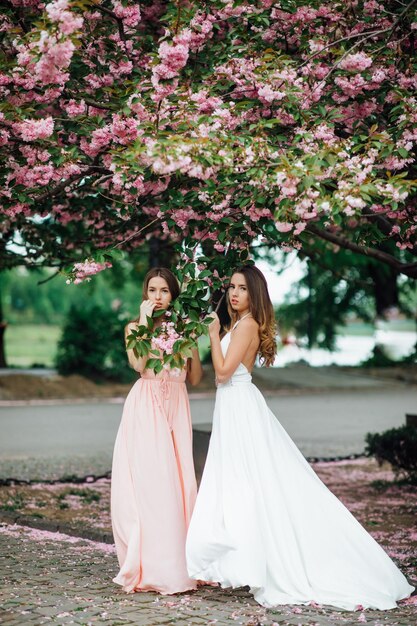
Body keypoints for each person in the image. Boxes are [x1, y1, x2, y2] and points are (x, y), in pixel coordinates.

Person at [186, 264, 414, 610]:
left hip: (240, 405)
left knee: (255, 482)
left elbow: (221, 373)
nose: (234, 293)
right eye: (232, 286)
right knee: (244, 484)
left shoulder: (246, 325)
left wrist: (214, 335)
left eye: (243, 289)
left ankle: (268, 560)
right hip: (234, 405)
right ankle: (247, 558)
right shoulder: (240, 323)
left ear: (255, 294)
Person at [111, 267, 202, 594]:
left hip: (176, 406)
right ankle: (155, 565)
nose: (158, 297)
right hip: (147, 405)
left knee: (180, 484)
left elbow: (194, 378)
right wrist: (146, 323)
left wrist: (191, 341)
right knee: (154, 483)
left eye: (165, 291)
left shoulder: (183, 329)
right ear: (145, 294)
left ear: (174, 296)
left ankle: (183, 560)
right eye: (153, 290)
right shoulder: (134, 329)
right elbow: (138, 364)